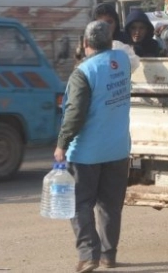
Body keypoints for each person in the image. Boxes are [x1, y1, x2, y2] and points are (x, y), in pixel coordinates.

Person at [54, 21, 132, 273]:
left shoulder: (83, 72)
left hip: (87, 152)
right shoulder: (122, 60)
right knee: (110, 205)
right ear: (109, 42)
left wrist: (61, 144)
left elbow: (75, 113)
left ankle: (88, 254)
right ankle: (109, 255)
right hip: (118, 149)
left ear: (85, 44)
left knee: (79, 204)